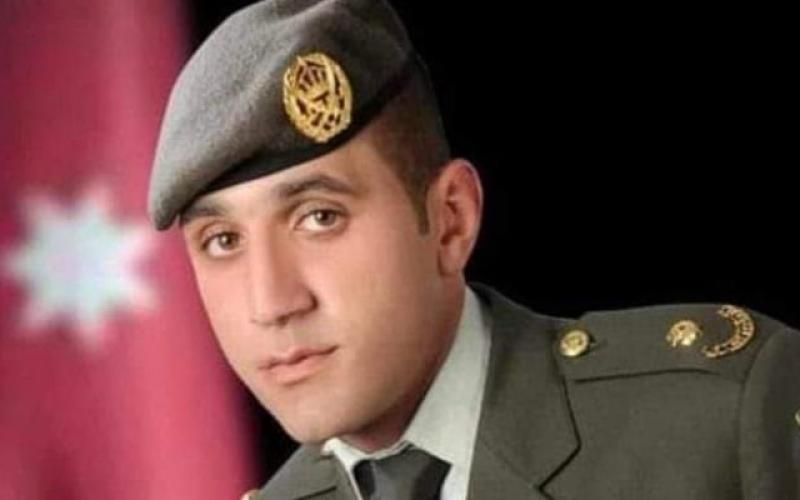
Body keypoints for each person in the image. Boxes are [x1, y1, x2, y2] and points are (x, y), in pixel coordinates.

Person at [147, 0, 800, 498]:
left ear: (450, 220)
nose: (271, 302)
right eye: (222, 240)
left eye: (320, 217)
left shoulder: (719, 419)